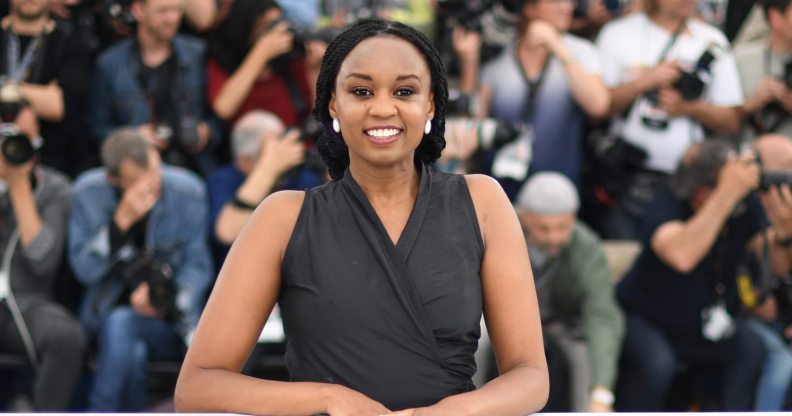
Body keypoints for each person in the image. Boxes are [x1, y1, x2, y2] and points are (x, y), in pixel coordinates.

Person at [176, 18, 549, 414]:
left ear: (430, 104)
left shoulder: (481, 202)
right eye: (361, 91)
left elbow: (530, 376)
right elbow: (198, 387)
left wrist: (447, 413)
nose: (383, 108)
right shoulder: (282, 218)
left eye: (404, 91)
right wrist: (328, 398)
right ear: (333, 103)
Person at [614, 139, 792, 410]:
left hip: (704, 322)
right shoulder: (666, 202)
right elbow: (681, 256)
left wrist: (784, 234)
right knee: (657, 364)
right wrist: (726, 194)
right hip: (648, 318)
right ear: (700, 191)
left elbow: (771, 260)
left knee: (749, 348)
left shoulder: (743, 205)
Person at [68, 128, 212, 411]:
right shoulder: (88, 192)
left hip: (173, 320)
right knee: (132, 351)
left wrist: (164, 298)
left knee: (122, 325)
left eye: (155, 172)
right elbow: (83, 270)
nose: (151, 185)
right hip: (103, 318)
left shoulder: (188, 191)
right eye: (137, 181)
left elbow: (198, 266)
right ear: (114, 179)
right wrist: (120, 221)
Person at [595, 0, 744, 239]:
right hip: (627, 176)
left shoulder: (711, 41)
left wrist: (689, 107)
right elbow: (598, 109)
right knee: (623, 252)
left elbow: (732, 120)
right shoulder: (618, 33)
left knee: (676, 253)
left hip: (687, 181)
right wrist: (646, 81)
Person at [469, 0, 610, 197]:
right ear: (529, 7)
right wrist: (469, 60)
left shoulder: (581, 50)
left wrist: (557, 47)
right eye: (555, 1)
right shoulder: (499, 53)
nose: (567, 7)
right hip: (499, 186)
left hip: (558, 187)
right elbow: (474, 120)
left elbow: (599, 106)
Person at [514, 172, 624, 412]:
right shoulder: (502, 231)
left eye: (562, 228)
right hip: (506, 320)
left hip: (562, 322)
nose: (553, 237)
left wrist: (602, 394)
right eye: (544, 229)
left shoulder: (587, 248)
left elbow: (601, 316)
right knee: (478, 338)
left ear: (573, 217)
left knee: (587, 358)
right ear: (524, 217)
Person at [0, 121, 85, 410]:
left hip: (27, 302)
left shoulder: (54, 188)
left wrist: (19, 186)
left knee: (66, 336)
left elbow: (41, 260)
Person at [90, 0, 219, 176]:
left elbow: (220, 114)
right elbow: (96, 129)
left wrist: (207, 132)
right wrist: (133, 138)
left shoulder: (198, 55)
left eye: (177, 10)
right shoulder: (110, 64)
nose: (171, 18)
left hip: (194, 165)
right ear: (138, 11)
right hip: (136, 169)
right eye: (162, 11)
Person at [208, 110, 324, 269]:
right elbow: (227, 232)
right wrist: (268, 169)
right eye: (272, 151)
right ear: (244, 162)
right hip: (244, 273)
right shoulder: (223, 180)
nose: (282, 156)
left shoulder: (301, 176)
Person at [0, 0, 91, 175]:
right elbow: (49, 102)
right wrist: (38, 97)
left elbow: (58, 107)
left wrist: (5, 88)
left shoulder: (69, 41)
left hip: (50, 163)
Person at [207, 0, 325, 126]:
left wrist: (315, 71)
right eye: (267, 26)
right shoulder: (223, 62)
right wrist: (261, 52)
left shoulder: (293, 62)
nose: (276, 32)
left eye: (280, 22)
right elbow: (223, 108)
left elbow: (319, 119)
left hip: (294, 136)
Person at [743, 134, 792, 411]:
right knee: (782, 364)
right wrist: (783, 235)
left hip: (783, 318)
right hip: (749, 317)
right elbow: (747, 262)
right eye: (786, 166)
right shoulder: (743, 208)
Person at [735, 0, 792, 141]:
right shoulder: (740, 59)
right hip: (747, 149)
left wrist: (787, 99)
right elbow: (721, 117)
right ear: (775, 17)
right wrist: (752, 103)